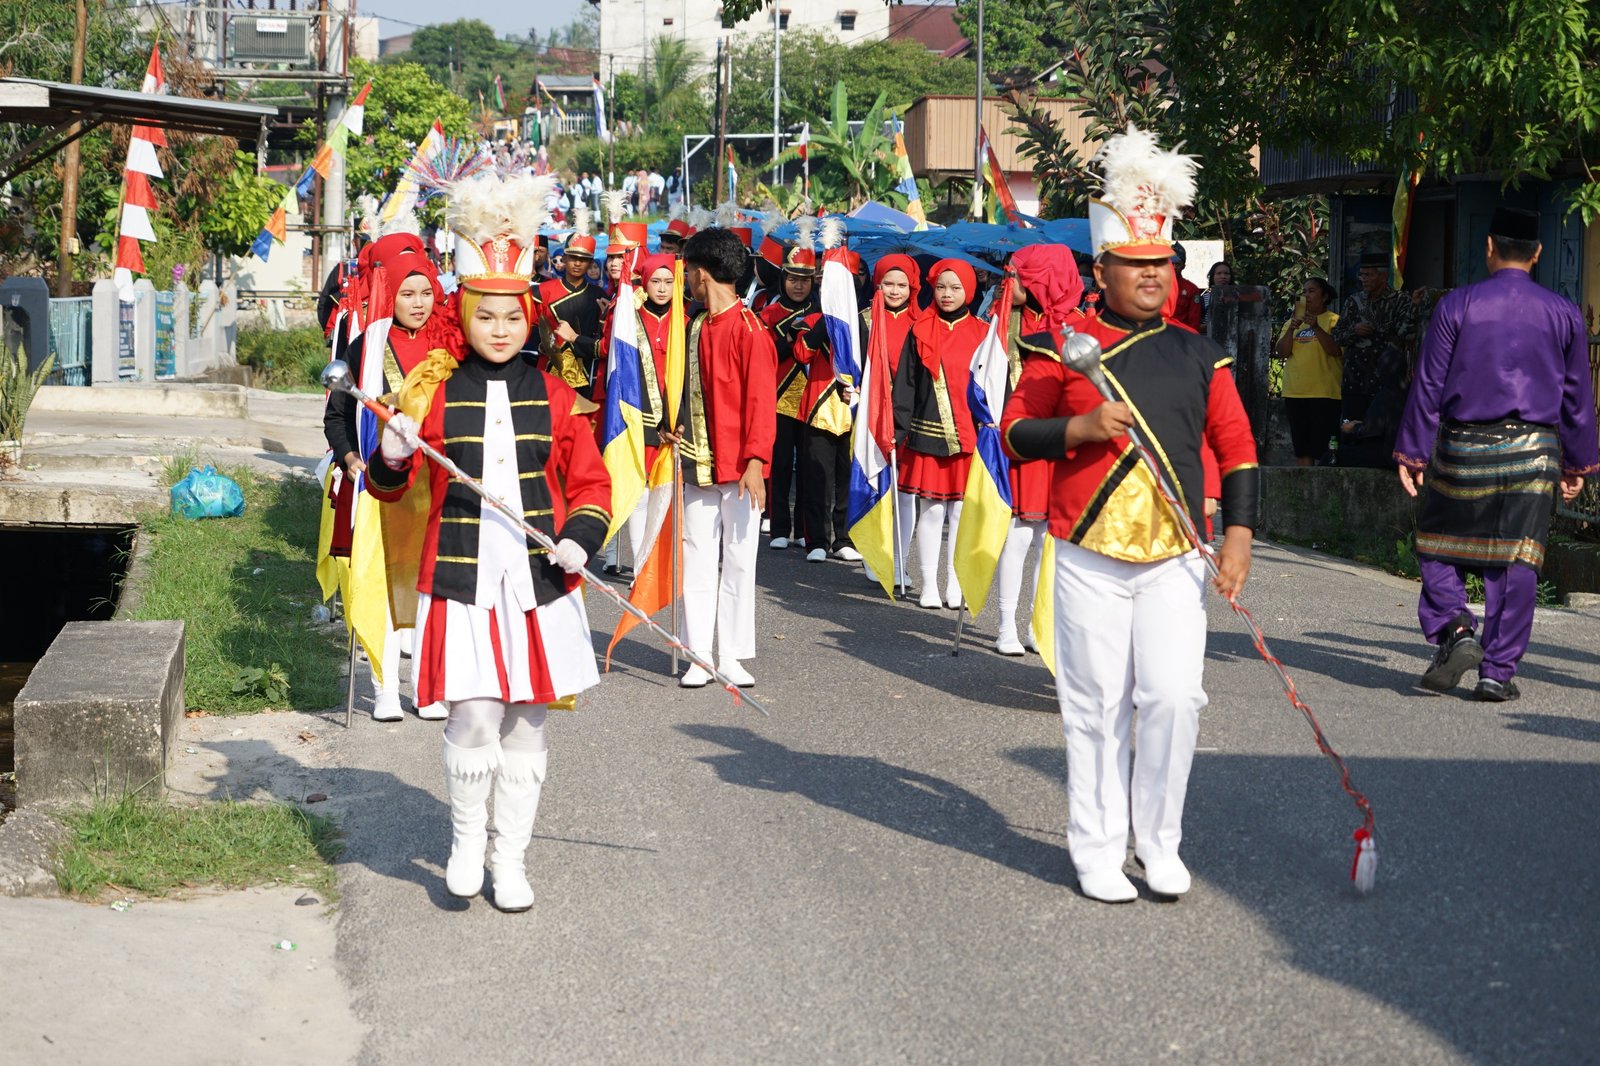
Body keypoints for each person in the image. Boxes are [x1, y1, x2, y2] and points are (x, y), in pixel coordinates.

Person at [999, 126, 1258, 904]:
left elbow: (1238, 449)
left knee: (1175, 698)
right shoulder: (1059, 349)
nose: (1152, 274)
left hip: (1177, 554)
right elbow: (1013, 433)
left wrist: (1238, 536)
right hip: (1088, 554)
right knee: (1096, 705)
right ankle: (1097, 848)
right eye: (1136, 263)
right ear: (1101, 269)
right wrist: (1078, 428)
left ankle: (1160, 841)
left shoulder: (1200, 353)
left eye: (1162, 263)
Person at [365, 172, 612, 913]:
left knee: (528, 720)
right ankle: (466, 844)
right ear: (464, 312)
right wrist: (393, 453)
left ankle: (511, 859)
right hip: (461, 578)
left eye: (512, 316)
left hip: (539, 582)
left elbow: (592, 484)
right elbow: (387, 489)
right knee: (473, 715)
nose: (500, 329)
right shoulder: (432, 389)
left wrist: (579, 538)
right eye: (486, 315)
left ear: (528, 317)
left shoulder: (557, 394)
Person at [1393, 205, 1599, 701]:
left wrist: (1412, 453)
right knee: (1518, 560)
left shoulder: (1457, 305)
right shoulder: (1564, 312)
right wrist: (1579, 463)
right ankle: (1497, 673)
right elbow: (1577, 396)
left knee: (1435, 546)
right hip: (1533, 453)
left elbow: (1428, 384)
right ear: (1538, 253)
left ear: (1489, 247)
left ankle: (1457, 628)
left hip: (1464, 449)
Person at [320, 231, 451, 721]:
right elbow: (337, 416)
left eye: (425, 293)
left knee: (431, 587)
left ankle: (427, 688)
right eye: (407, 293)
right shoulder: (366, 347)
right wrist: (350, 458)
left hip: (437, 487)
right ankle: (384, 689)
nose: (418, 303)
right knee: (382, 583)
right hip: (382, 486)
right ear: (390, 295)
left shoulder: (449, 346)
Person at [665, 227, 777, 689]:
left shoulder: (751, 330)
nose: (686, 279)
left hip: (742, 469)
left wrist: (756, 463)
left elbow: (762, 403)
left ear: (702, 274)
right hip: (698, 463)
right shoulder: (694, 325)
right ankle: (698, 655)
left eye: (688, 271)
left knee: (739, 560)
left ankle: (730, 655)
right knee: (695, 557)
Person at [992, 244, 1090, 655]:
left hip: (1065, 444)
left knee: (1051, 542)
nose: (1006, 283)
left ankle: (1039, 625)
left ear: (1040, 281)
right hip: (1021, 443)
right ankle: (1005, 626)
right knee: (1017, 535)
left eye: (1014, 276)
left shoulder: (1082, 326)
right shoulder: (1002, 318)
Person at [893, 259, 985, 610]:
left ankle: (955, 582)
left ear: (969, 291)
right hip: (926, 432)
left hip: (969, 436)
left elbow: (992, 386)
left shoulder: (983, 332)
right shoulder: (919, 330)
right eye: (942, 287)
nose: (947, 294)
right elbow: (905, 385)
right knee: (930, 511)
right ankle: (929, 583)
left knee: (961, 512)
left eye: (955, 288)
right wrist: (896, 429)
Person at [859, 253, 923, 587]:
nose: (895, 291)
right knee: (874, 485)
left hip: (909, 417)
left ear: (913, 287)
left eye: (902, 285)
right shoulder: (864, 320)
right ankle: (874, 554)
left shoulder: (922, 322)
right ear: (877, 284)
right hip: (872, 414)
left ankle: (900, 560)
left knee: (906, 493)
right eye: (888, 284)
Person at [759, 242, 817, 550]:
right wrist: (790, 336)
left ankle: (807, 530)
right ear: (783, 278)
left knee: (809, 467)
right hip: (778, 399)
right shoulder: (769, 314)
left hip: (812, 400)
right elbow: (764, 356)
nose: (798, 285)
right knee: (779, 466)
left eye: (804, 280)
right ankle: (779, 527)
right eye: (793, 278)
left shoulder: (822, 312)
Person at [1331, 252, 1417, 454]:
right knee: (1349, 434)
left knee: (1379, 435)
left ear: (1383, 275)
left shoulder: (1400, 301)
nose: (1363, 279)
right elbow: (1337, 336)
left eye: (1368, 275)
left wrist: (1412, 307)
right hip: (1355, 381)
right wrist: (1354, 331)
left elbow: (1407, 334)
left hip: (1385, 381)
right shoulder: (1354, 301)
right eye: (1361, 275)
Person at [1273, 277, 1343, 466]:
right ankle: (1304, 484)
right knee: (1302, 449)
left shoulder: (1334, 320)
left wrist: (1316, 327)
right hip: (1295, 393)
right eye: (1304, 292)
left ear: (1324, 296)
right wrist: (1291, 329)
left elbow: (1335, 350)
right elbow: (1282, 352)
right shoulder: (1292, 323)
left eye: (1311, 291)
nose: (1306, 296)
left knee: (1326, 450)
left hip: (1325, 393)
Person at [537, 207, 605, 398]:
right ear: (565, 258)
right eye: (573, 257)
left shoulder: (599, 296)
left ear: (590, 262)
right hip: (548, 371)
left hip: (587, 374)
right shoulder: (543, 291)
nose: (577, 263)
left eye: (583, 259)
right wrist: (543, 346)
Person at [1170, 243, 1203, 332]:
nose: (1174, 267)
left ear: (1183, 266)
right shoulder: (1156, 286)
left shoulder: (1191, 289)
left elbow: (1194, 321)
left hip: (1182, 336)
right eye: (1171, 263)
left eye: (1178, 264)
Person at [1199, 260, 1232, 329]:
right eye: (1219, 273)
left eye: (1226, 273)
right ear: (1212, 277)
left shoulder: (1237, 298)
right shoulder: (1203, 299)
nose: (1223, 276)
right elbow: (1197, 325)